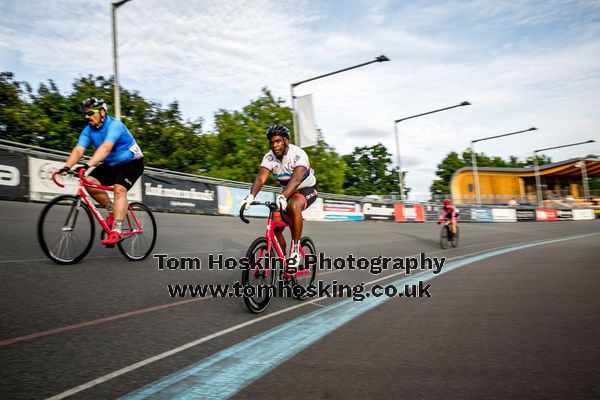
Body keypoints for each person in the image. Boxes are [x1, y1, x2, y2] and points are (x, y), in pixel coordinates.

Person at [59, 97, 144, 245]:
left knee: (119, 189)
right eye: (85, 113)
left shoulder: (115, 125)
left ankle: (117, 230)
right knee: (89, 182)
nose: (87, 116)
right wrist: (67, 167)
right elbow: (79, 150)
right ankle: (113, 210)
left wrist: (87, 165)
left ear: (103, 112)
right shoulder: (88, 130)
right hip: (112, 164)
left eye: (90, 113)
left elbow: (106, 147)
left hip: (132, 162)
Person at [240, 125, 318, 266]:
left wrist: (283, 196)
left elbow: (296, 179)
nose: (274, 145)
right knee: (275, 224)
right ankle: (282, 262)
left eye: (278, 141)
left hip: (306, 188)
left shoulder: (299, 154)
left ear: (286, 140)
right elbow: (261, 178)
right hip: (288, 191)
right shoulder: (269, 157)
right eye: (272, 142)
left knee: (293, 205)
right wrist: (250, 196)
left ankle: (295, 251)